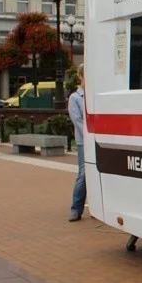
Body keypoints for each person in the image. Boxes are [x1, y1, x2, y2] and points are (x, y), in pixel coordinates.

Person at [68, 66, 87, 222]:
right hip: (84, 142)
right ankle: (76, 209)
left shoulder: (93, 95)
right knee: (83, 174)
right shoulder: (75, 98)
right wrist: (89, 135)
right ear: (80, 76)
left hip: (96, 139)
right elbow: (78, 120)